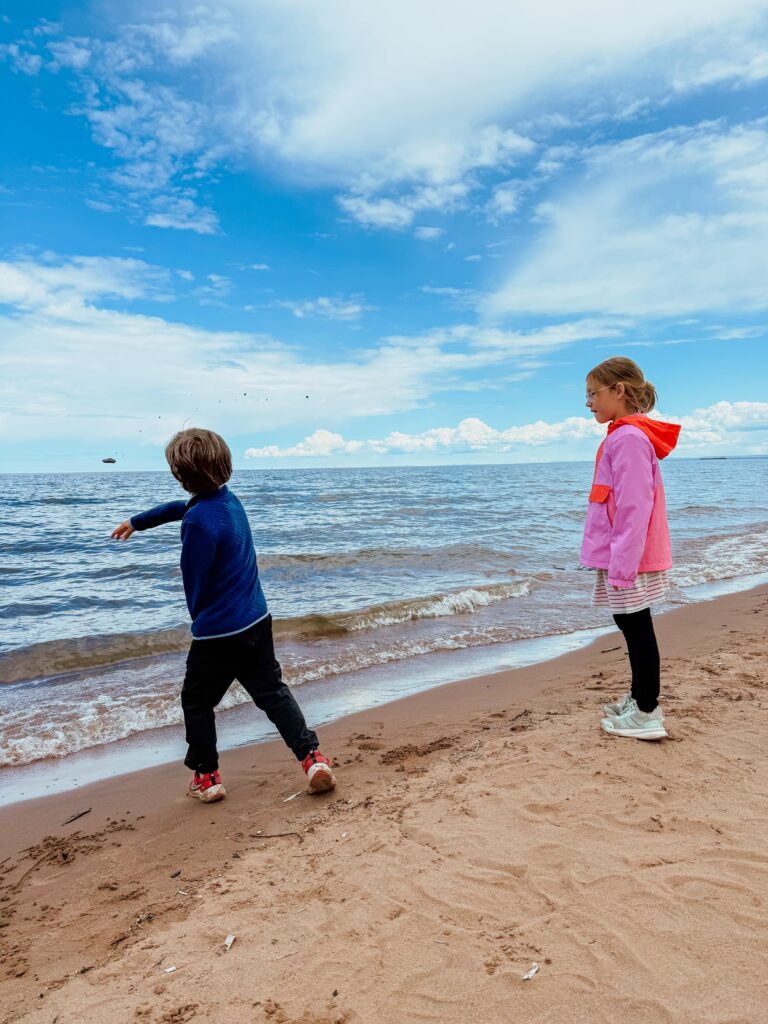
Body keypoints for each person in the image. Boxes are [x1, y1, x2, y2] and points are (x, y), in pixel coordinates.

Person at [111, 428, 336, 803]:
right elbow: (181, 508)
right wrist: (138, 521)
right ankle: (312, 759)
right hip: (257, 621)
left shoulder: (197, 523)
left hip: (217, 635)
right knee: (272, 693)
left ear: (179, 475)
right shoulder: (229, 500)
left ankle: (207, 777)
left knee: (197, 703)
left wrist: (200, 621)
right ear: (224, 465)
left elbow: (195, 583)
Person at [580, 357, 681, 740]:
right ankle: (641, 700)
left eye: (593, 393)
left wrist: (622, 565)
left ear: (619, 390)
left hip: (629, 558)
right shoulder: (624, 436)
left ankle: (647, 711)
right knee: (632, 624)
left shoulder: (627, 438)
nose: (589, 402)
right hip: (625, 555)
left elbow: (634, 506)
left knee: (637, 627)